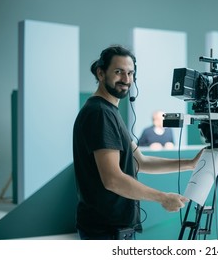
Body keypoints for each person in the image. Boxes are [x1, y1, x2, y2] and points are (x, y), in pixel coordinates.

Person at [72, 45, 203, 240]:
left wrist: (190, 163)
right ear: (100, 73)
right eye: (118, 72)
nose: (126, 80)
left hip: (115, 228)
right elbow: (113, 179)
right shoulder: (100, 113)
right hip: (104, 231)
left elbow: (140, 161)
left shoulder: (109, 111)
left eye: (130, 73)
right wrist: (163, 198)